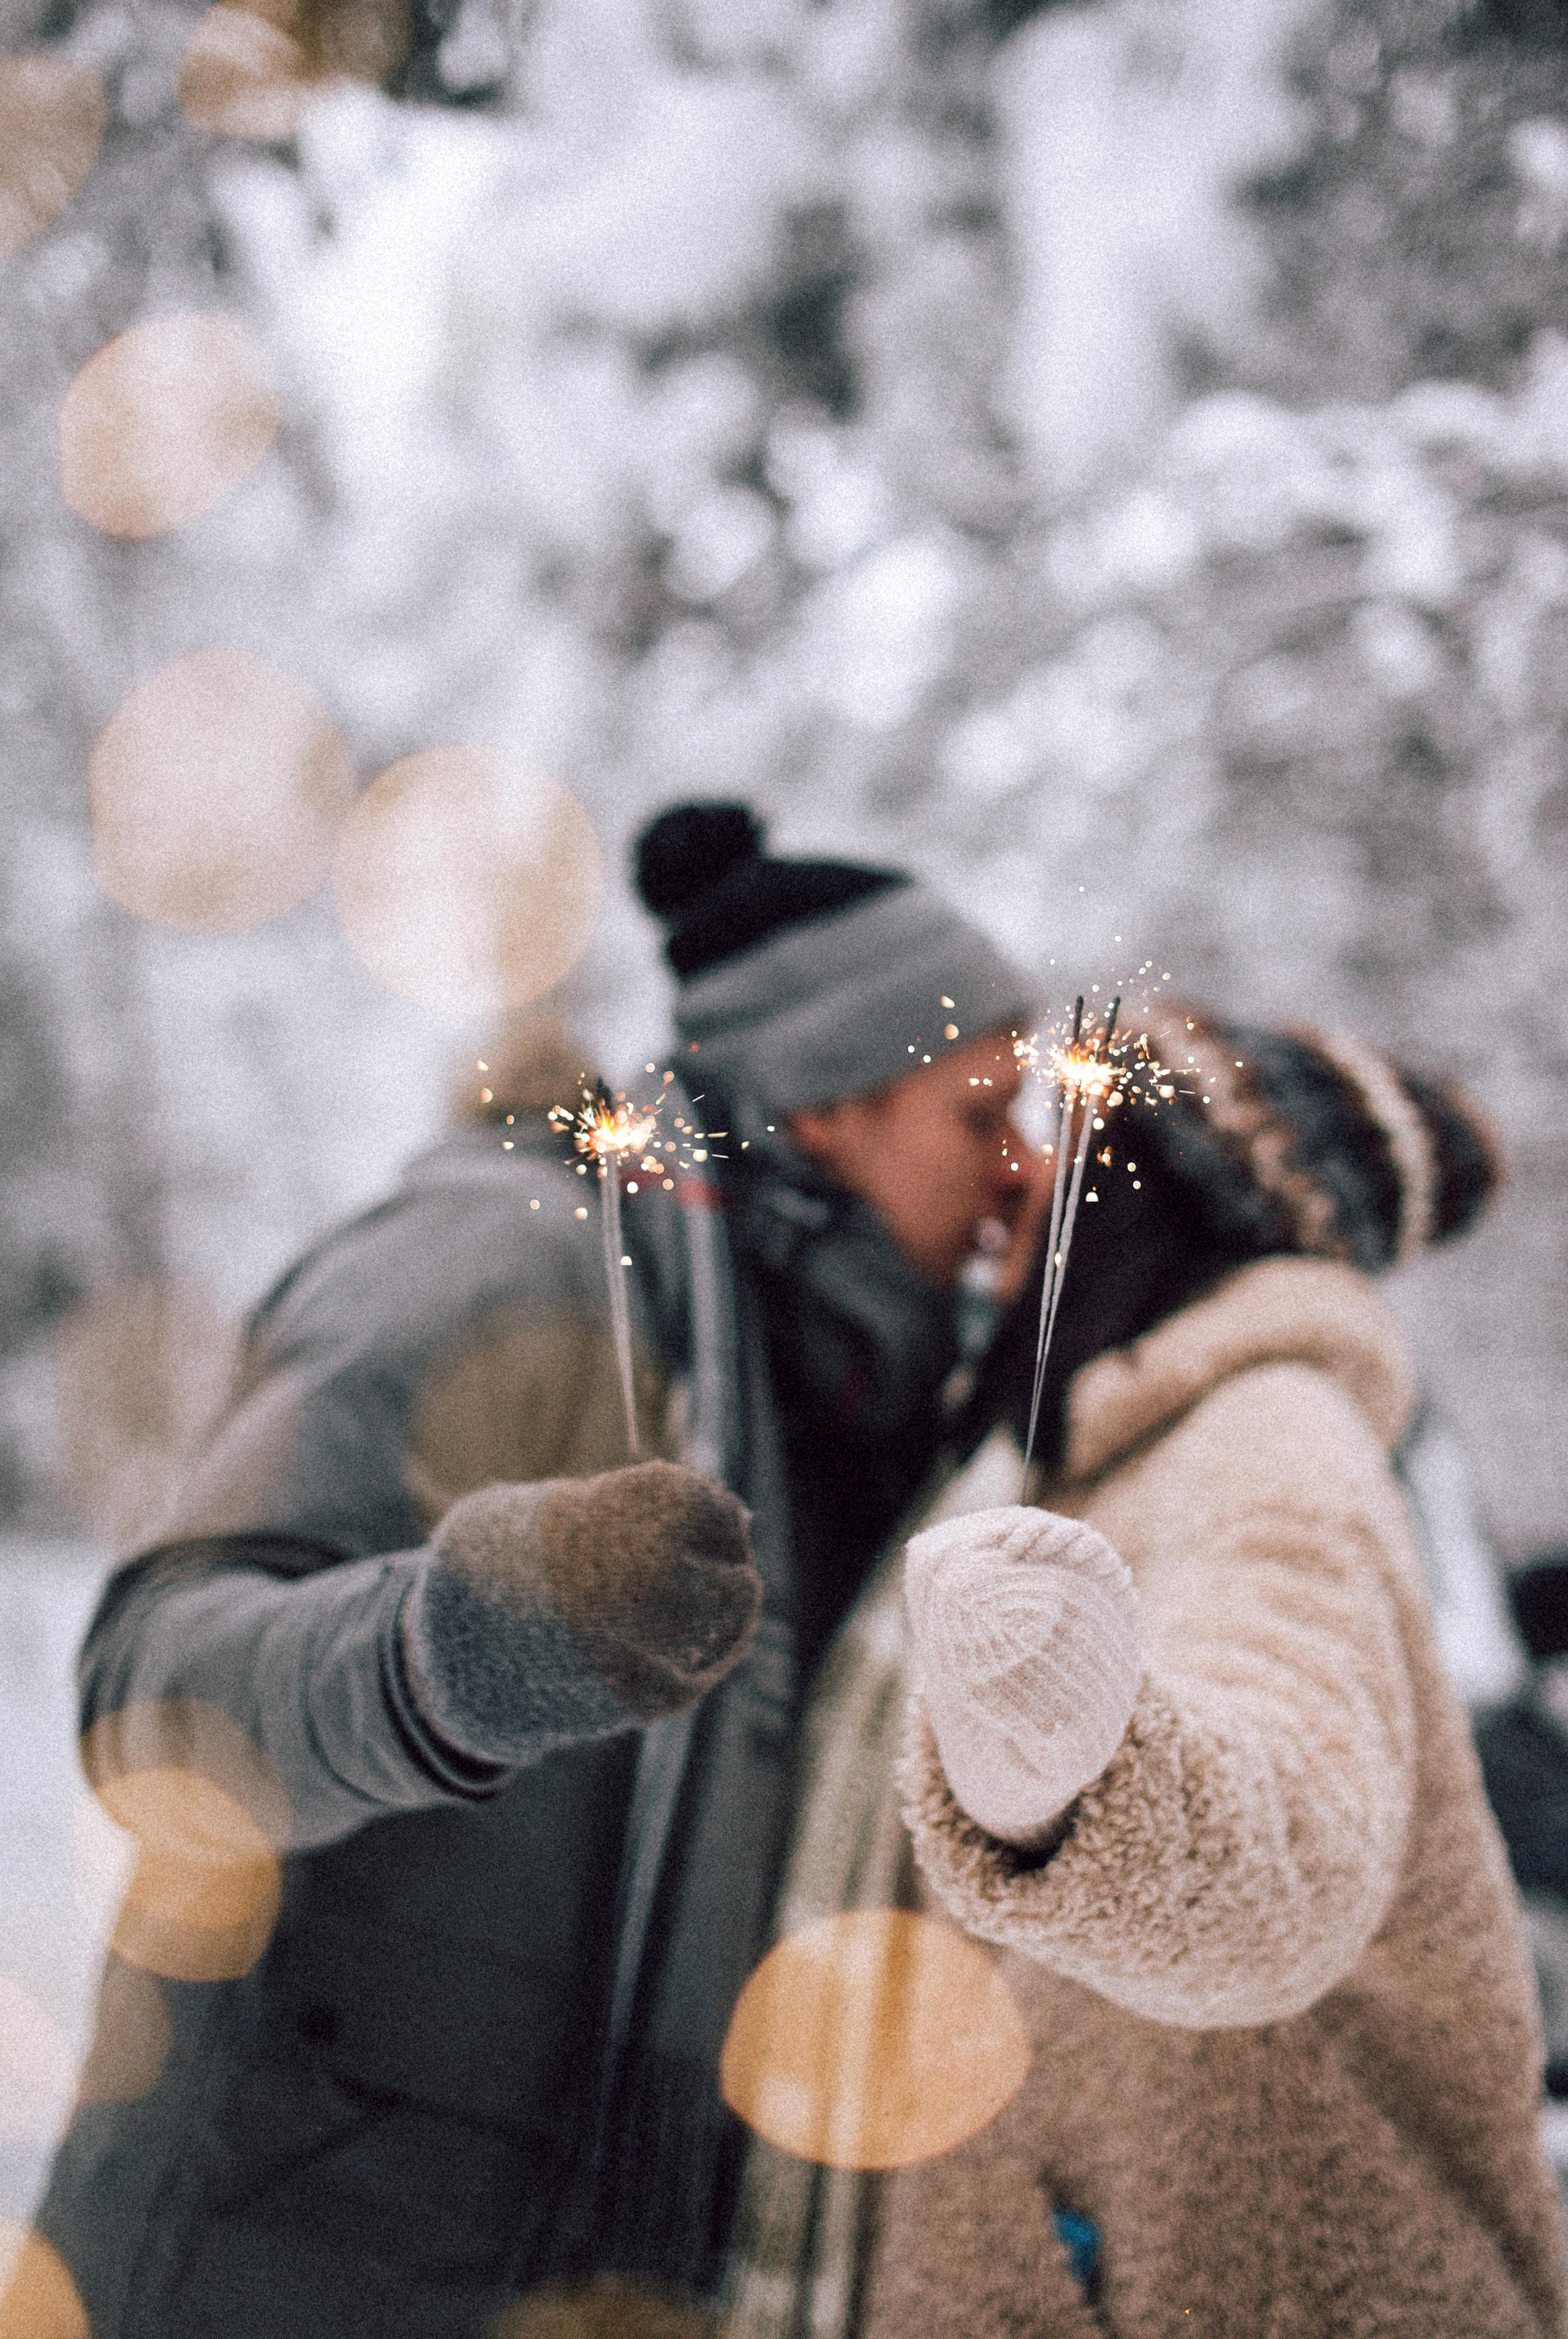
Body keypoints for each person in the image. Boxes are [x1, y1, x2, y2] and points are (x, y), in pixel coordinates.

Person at [31, 802, 1040, 2339]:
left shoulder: (844, 1430)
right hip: (280, 2275)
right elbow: (154, 1694)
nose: (1020, 1173)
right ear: (830, 1106)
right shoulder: (509, 1270)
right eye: (979, 1116)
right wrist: (453, 1655)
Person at [858, 1006, 1568, 2339]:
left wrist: (1075, 1776)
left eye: (1058, 1141)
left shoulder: (1267, 1436)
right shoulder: (1118, 1439)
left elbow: (1289, 1836)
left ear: (1157, 1199)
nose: (1014, 1174)